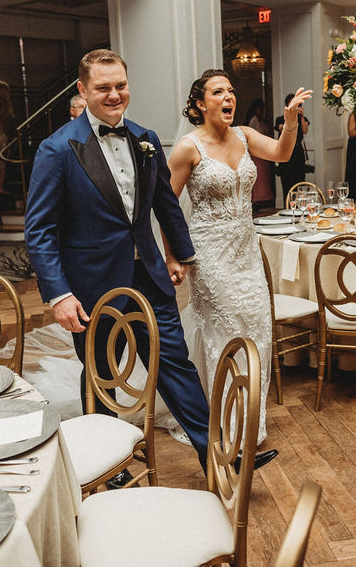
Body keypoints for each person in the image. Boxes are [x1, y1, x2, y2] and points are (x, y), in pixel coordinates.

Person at [25, 51, 276, 477]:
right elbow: (40, 229)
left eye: (120, 85)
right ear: (83, 91)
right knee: (102, 372)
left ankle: (217, 452)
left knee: (175, 364)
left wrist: (181, 254)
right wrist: (59, 294)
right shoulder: (57, 149)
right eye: (103, 87)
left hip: (150, 277)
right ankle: (106, 465)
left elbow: (165, 204)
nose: (114, 94)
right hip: (93, 285)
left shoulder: (144, 138)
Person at [169, 68, 313, 445]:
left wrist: (290, 120)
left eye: (231, 91)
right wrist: (173, 256)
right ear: (201, 104)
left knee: (257, 331)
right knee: (225, 332)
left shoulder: (245, 136)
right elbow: (166, 205)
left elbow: (282, 153)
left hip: (247, 250)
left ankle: (250, 418)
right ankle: (224, 424)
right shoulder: (188, 147)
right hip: (210, 254)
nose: (228, 97)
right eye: (218, 92)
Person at [275, 93, 310, 199]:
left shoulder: (301, 118)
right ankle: (288, 207)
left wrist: (302, 116)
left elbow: (305, 131)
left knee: (299, 182)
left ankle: (300, 208)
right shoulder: (281, 119)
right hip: (285, 151)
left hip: (298, 152)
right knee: (286, 182)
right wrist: (290, 116)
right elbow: (281, 128)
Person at [245, 99, 274, 207]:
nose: (261, 111)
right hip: (256, 152)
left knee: (264, 176)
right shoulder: (253, 120)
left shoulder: (262, 120)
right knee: (259, 176)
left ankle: (264, 199)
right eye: (259, 109)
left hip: (264, 151)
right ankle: (257, 199)